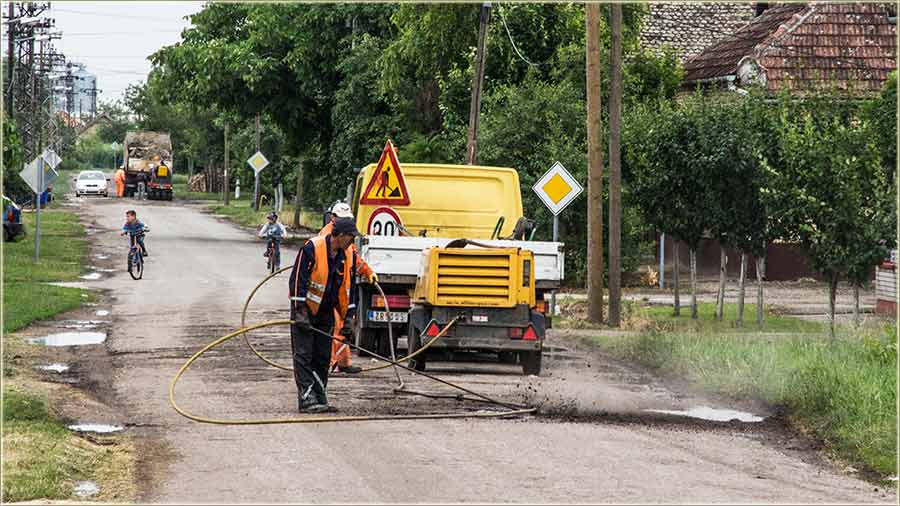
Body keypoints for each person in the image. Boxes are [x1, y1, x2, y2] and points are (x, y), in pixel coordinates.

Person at [288, 217, 360, 413]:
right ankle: (306, 398)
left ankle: (319, 396)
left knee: (321, 356)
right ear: (341, 235)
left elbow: (349, 289)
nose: (353, 242)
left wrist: (349, 318)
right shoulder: (312, 248)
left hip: (326, 312)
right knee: (304, 355)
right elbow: (297, 279)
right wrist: (299, 310)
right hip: (306, 311)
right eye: (351, 237)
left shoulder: (345, 257)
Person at [319, 202, 376, 374]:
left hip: (345, 290)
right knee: (333, 328)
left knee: (345, 327)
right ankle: (326, 365)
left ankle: (343, 362)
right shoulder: (328, 237)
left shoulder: (347, 238)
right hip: (332, 291)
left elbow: (354, 258)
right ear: (333, 218)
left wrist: (367, 271)